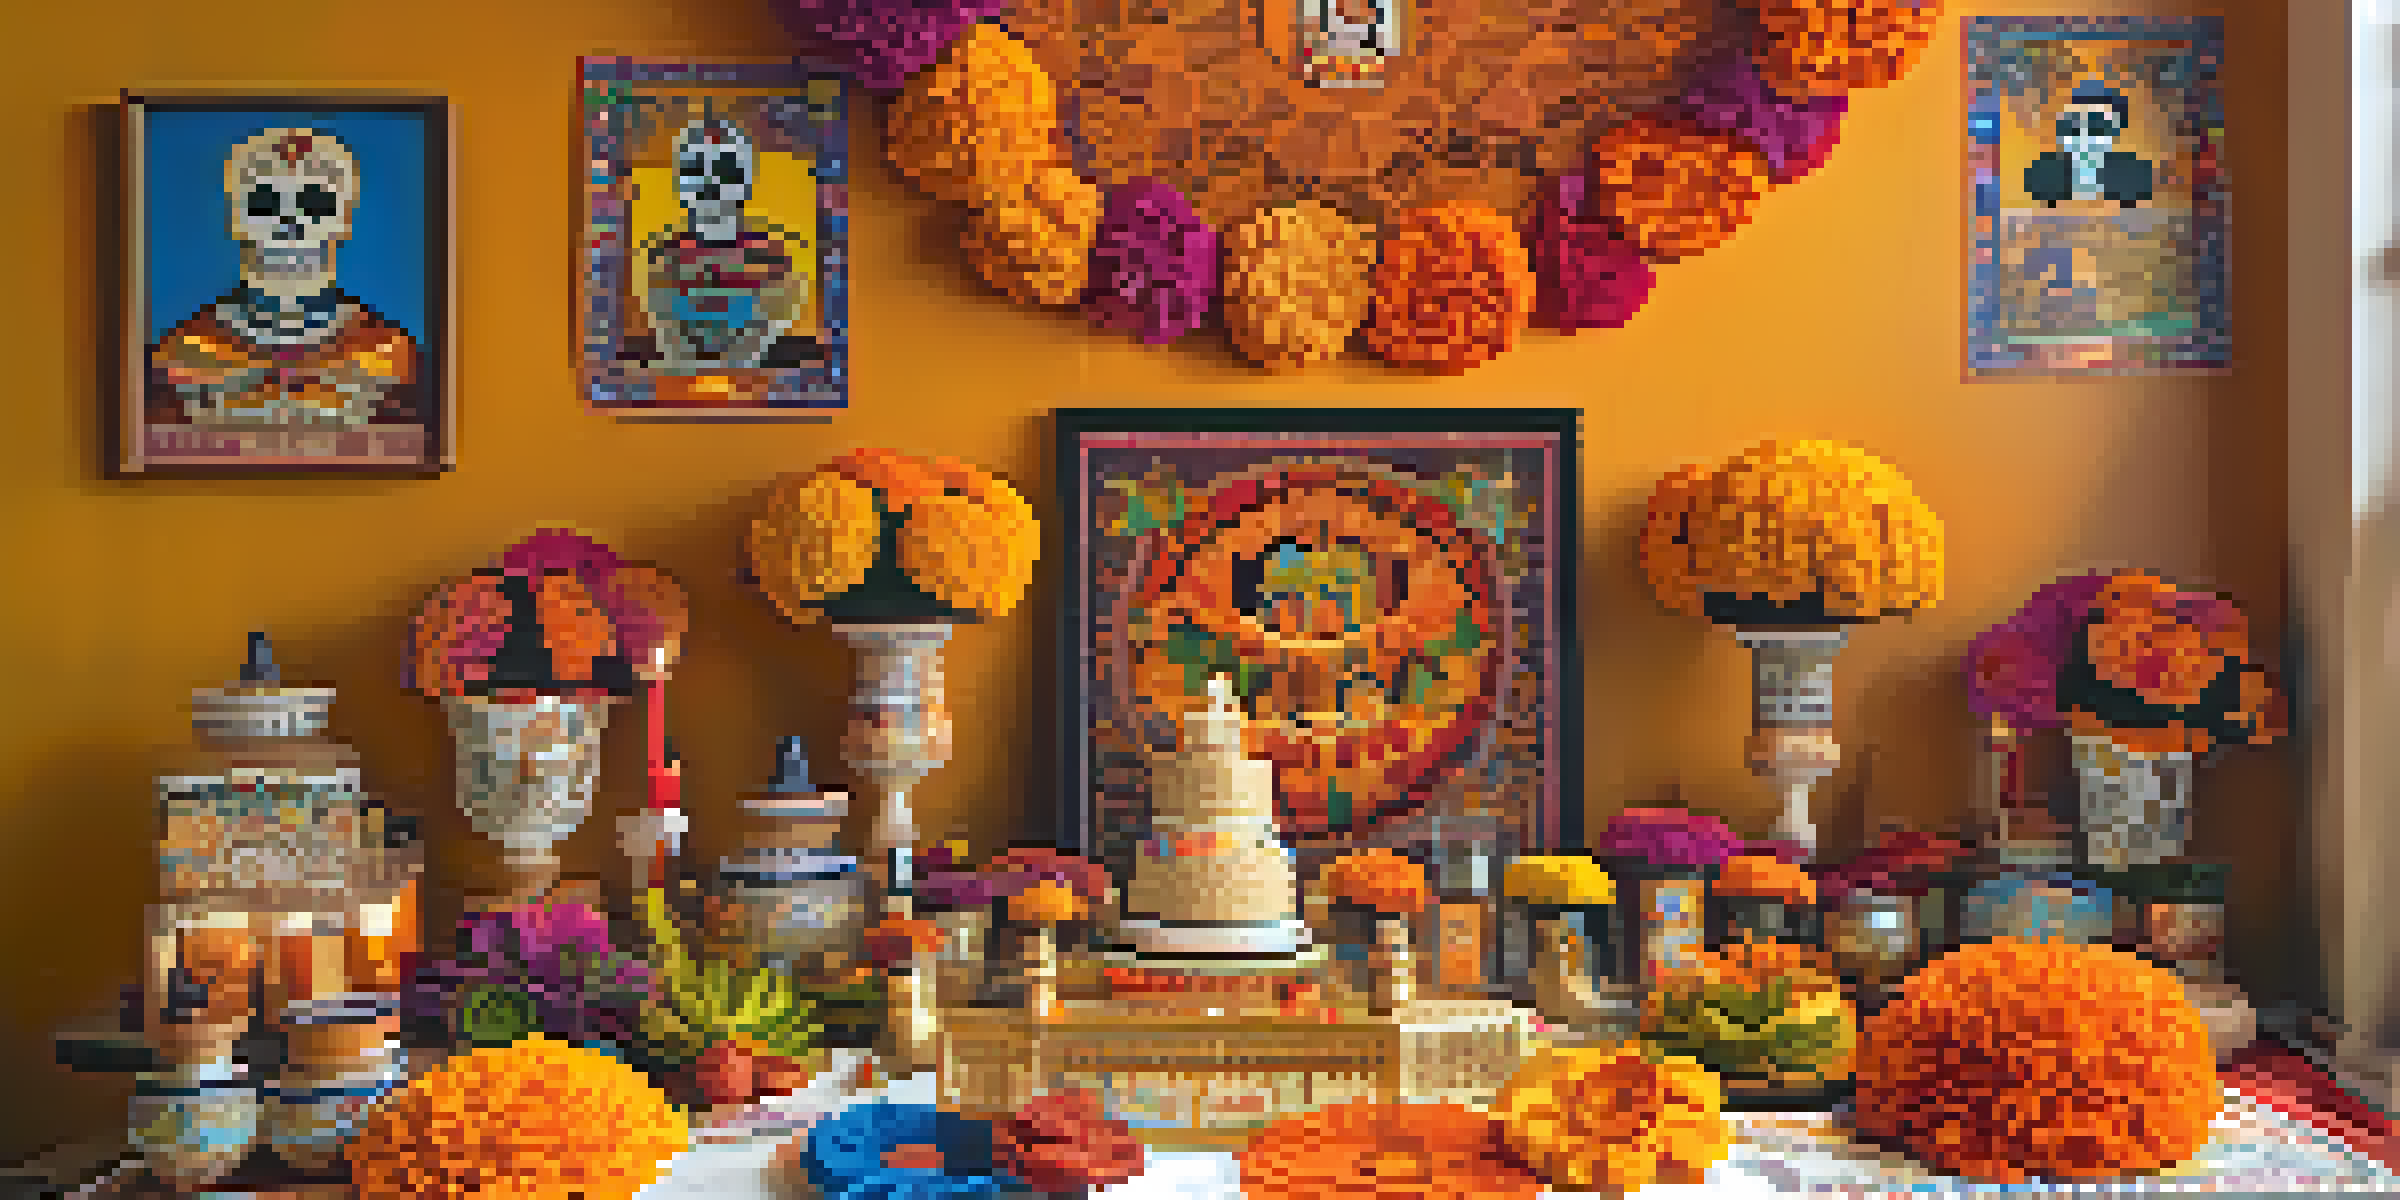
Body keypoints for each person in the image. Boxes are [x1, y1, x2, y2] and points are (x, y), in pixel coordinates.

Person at [148, 128, 420, 428]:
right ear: (234, 220)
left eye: (314, 203)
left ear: (345, 222)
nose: (289, 220)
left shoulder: (388, 352)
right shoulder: (182, 352)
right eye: (266, 203)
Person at [2023, 80, 2155, 209]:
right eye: (2075, 124)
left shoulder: (2133, 176)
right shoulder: (2043, 175)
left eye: (2097, 125)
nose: (2085, 135)